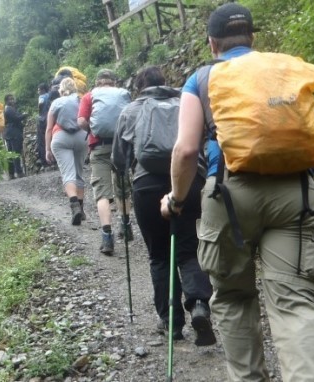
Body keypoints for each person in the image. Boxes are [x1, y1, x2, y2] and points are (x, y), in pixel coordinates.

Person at [161, 3, 314, 380]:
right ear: (252, 38)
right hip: (295, 193)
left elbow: (187, 149)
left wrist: (175, 199)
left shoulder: (202, 78)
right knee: (295, 303)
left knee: (234, 298)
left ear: (212, 43)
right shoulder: (284, 68)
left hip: (228, 195)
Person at [112, 65, 216, 346]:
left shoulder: (130, 112)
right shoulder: (185, 102)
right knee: (189, 248)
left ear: (139, 88)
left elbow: (119, 162)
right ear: (165, 83)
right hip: (188, 180)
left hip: (146, 187)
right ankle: (198, 305)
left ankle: (170, 322)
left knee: (159, 255)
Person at [78, 68, 132, 255]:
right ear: (113, 82)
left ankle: (107, 237)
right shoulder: (123, 94)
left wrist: (92, 129)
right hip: (121, 146)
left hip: (99, 146)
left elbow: (81, 121)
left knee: (102, 193)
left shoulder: (89, 96)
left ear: (98, 82)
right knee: (123, 188)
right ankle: (126, 226)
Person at [45, 77, 87, 225]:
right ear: (75, 88)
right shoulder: (81, 100)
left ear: (61, 90)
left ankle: (74, 206)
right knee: (79, 172)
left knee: (68, 174)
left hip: (61, 138)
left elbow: (49, 128)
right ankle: (81, 210)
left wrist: (47, 149)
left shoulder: (56, 103)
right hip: (81, 136)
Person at [3, 94, 28, 179]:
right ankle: (19, 172)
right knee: (15, 153)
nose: (12, 101)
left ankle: (11, 173)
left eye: (13, 99)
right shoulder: (9, 109)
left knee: (11, 154)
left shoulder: (7, 109)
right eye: (10, 99)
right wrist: (24, 115)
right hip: (14, 133)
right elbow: (16, 118)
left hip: (9, 133)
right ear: (6, 101)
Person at [36, 83, 51, 167]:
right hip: (49, 118)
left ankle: (44, 160)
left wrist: (39, 112)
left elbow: (40, 105)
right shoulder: (49, 95)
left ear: (42, 90)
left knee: (42, 140)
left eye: (39, 90)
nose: (38, 91)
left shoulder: (42, 97)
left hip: (42, 120)